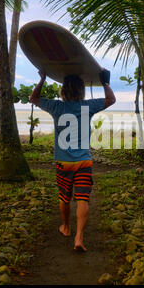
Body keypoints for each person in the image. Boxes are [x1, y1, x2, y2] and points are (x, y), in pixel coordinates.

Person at [29, 69, 116, 252]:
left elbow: (34, 98)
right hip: (84, 162)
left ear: (63, 91)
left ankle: (66, 228)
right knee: (83, 198)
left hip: (63, 163)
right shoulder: (88, 106)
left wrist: (43, 79)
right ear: (81, 91)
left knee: (64, 197)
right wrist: (105, 83)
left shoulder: (56, 107)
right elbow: (111, 100)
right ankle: (79, 238)